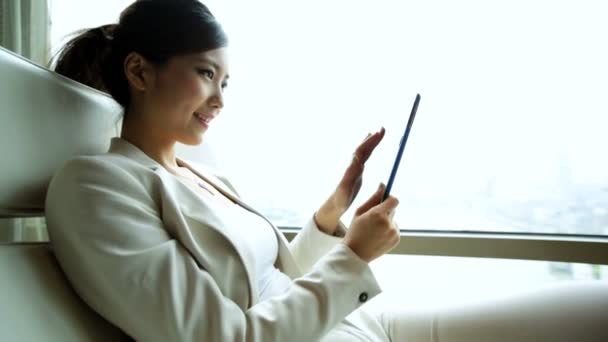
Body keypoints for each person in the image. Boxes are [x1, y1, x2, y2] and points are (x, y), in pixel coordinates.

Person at [45, 1, 608, 341]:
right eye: (204, 73)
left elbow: (272, 278)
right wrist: (355, 256)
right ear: (140, 72)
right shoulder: (96, 188)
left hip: (355, 324)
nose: (219, 98)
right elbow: (225, 336)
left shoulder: (201, 174)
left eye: (225, 82)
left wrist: (332, 214)